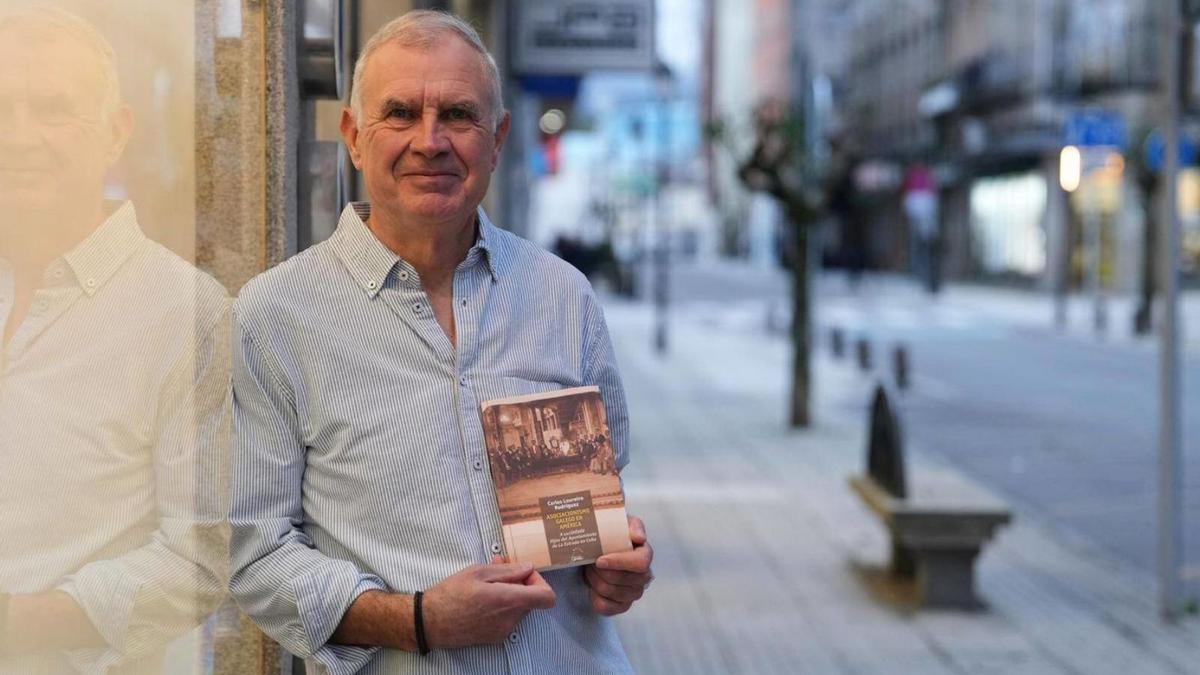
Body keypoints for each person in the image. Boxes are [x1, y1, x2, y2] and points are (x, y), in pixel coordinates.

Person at [229, 10, 652, 674]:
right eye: (399, 113)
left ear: (498, 138)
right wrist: (419, 618)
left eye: (458, 114)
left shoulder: (562, 297)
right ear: (353, 136)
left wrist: (615, 563)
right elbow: (255, 555)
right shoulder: (276, 315)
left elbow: (593, 511)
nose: (430, 141)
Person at [0, 6, 230, 673]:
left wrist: (16, 624)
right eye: (2, 107)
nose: (19, 136)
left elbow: (198, 560)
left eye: (52, 110)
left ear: (115, 132)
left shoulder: (182, 312)